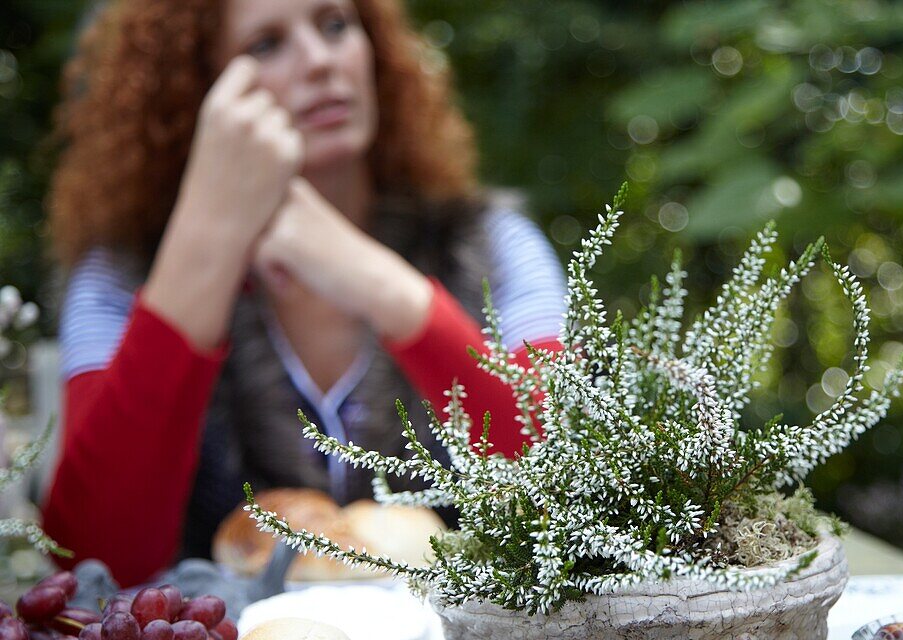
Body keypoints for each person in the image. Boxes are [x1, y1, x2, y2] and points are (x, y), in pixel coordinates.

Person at [41, 0, 567, 587]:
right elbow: (92, 563)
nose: (320, 60)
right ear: (193, 93)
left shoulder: (493, 242)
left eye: (335, 25)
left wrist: (385, 288)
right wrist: (204, 236)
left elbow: (571, 494)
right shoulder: (120, 274)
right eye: (265, 44)